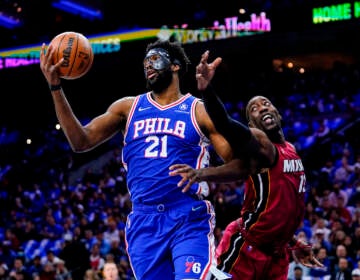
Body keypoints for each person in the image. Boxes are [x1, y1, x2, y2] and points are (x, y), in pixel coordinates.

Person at [40, 39, 233, 280]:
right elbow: (81, 141)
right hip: (144, 220)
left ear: (174, 66)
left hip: (187, 215)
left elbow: (237, 164)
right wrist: (56, 88)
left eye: (155, 58)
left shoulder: (198, 110)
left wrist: (204, 174)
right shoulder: (127, 108)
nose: (148, 65)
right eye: (145, 62)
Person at [169, 50, 324, 279]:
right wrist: (207, 90)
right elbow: (226, 124)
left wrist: (292, 242)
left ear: (277, 114)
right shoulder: (262, 144)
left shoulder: (290, 150)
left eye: (266, 104)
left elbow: (278, 208)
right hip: (246, 249)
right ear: (252, 125)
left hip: (277, 254)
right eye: (254, 109)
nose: (262, 108)